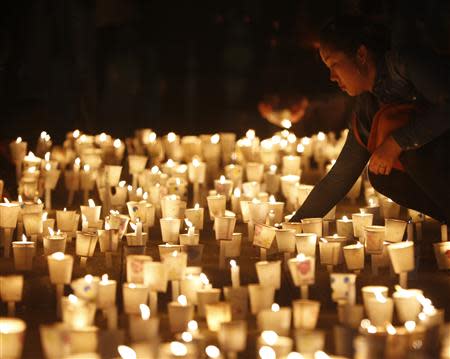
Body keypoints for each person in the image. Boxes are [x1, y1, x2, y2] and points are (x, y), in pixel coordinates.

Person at [289, 15, 450, 224]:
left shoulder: (406, 63)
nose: (332, 76)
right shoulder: (367, 107)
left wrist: (397, 142)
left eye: (334, 64)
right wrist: (294, 224)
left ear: (361, 55)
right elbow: (339, 178)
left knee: (411, 153)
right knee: (382, 175)